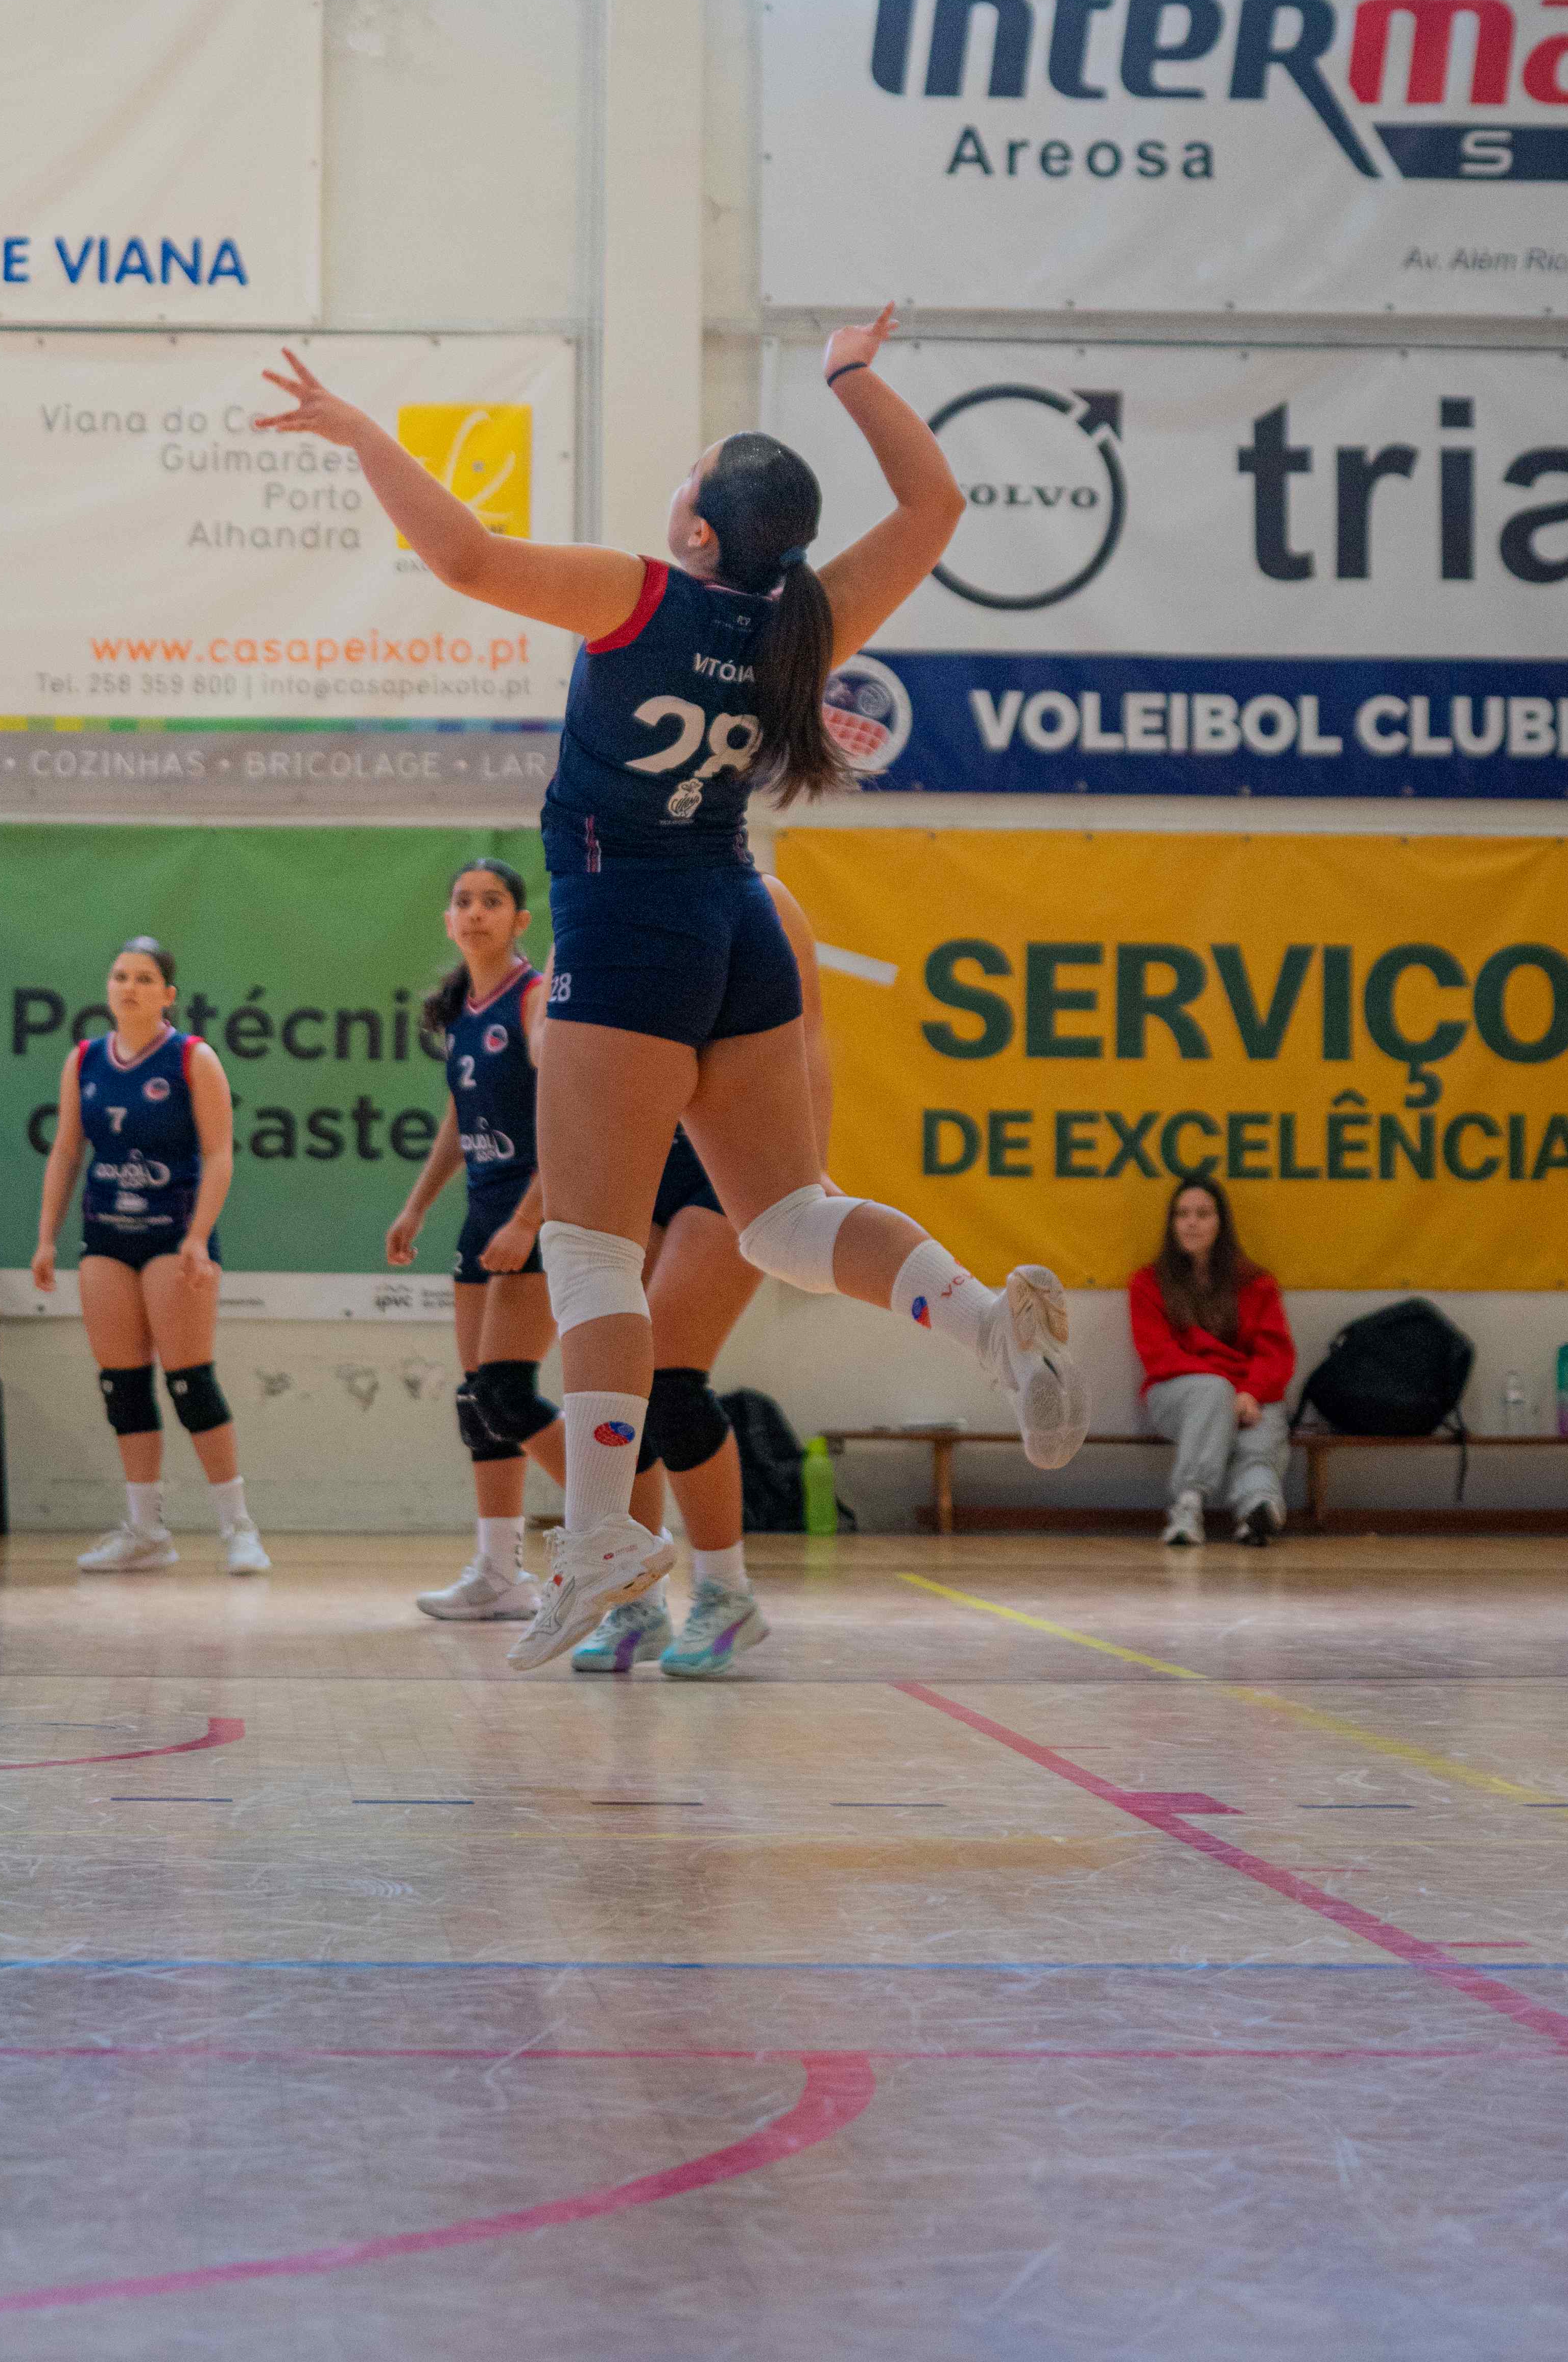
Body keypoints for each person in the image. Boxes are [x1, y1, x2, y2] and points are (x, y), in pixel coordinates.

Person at [258, 305, 1086, 1671]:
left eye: (690, 472)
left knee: (590, 1249)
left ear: (699, 529)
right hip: (738, 914)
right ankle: (991, 1321)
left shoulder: (644, 593)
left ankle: (594, 1542)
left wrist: (360, 432)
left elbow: (460, 555)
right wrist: (853, 375)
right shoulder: (809, 616)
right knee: (789, 1217)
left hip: (626, 925)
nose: (678, 481)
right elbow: (936, 501)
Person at [575, 874, 829, 1681]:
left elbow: (809, 1040)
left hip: (729, 1163)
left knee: (671, 1372)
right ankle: (636, 1596)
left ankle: (727, 1593)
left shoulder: (762, 897)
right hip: (635, 1159)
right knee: (619, 1388)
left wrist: (803, 1174)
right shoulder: (597, 895)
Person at [31, 936, 268, 1577]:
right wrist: (47, 1237)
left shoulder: (193, 1059)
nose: (128, 987)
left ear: (167, 994)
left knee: (189, 1380)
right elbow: (66, 1153)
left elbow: (220, 1155)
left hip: (174, 1236)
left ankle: (237, 1526)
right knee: (124, 1385)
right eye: (119, 976)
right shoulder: (83, 1060)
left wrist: (198, 1236)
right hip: (106, 1236)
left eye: (143, 978)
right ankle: (145, 1530)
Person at [386, 856, 567, 1622]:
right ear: (448, 920)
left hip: (538, 1211)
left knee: (506, 1392)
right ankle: (499, 1573)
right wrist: (418, 1206)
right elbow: (462, 1120)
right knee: (481, 1402)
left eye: (493, 902)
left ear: (520, 921)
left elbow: (571, 1114)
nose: (476, 913)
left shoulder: (535, 999)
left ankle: (618, 1527)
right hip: (482, 1213)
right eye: (463, 901)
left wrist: (529, 1218)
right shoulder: (466, 1009)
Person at [1129, 1177, 1295, 1548]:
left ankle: (1259, 1508)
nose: (1192, 1223)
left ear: (1221, 1223)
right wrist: (1229, 1391)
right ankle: (1188, 1505)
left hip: (1248, 1394)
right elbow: (1158, 1355)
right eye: (1183, 1215)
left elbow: (1276, 1353)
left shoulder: (1257, 1283)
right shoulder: (1147, 1283)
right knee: (1212, 1392)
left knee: (1263, 1427)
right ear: (1172, 1225)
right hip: (1178, 1394)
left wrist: (1251, 1392)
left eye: (1203, 1214)